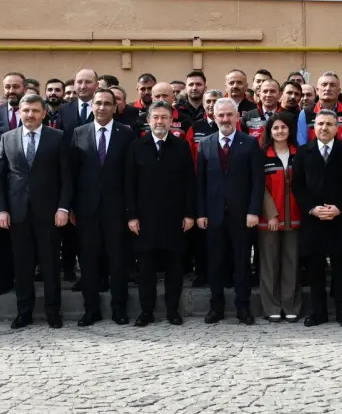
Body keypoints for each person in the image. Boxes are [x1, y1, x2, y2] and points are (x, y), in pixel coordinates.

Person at [0, 95, 72, 329]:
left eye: (35, 110)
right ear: (19, 112)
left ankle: (53, 311)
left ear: (44, 113)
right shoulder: (7, 138)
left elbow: (67, 178)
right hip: (17, 214)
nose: (30, 115)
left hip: (49, 213)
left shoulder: (57, 137)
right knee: (22, 265)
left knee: (50, 264)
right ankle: (24, 312)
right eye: (26, 110)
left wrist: (63, 207)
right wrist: (1, 209)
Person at [125, 100, 195, 325]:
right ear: (148, 121)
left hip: (174, 218)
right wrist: (132, 216)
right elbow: (130, 184)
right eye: (155, 117)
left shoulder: (181, 146)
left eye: (164, 117)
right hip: (144, 219)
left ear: (172, 121)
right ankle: (147, 311)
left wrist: (189, 214)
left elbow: (188, 183)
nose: (160, 121)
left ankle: (172, 310)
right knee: (146, 270)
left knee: (175, 269)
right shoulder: (137, 146)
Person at [69, 88, 135, 325]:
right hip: (86, 210)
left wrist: (130, 210)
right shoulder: (78, 133)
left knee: (118, 261)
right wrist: (71, 207)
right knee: (88, 262)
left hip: (116, 209)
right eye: (98, 103)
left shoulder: (126, 134)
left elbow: (130, 176)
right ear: (92, 105)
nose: (102, 107)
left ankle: (119, 308)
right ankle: (91, 310)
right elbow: (72, 175)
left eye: (108, 103)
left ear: (115, 107)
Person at [196, 97, 263, 324]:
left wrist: (254, 211)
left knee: (241, 262)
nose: (225, 119)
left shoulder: (250, 143)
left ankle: (242, 307)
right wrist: (201, 213)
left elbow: (257, 182)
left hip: (242, 215)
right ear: (214, 118)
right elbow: (200, 183)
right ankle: (216, 307)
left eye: (229, 115)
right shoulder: (204, 144)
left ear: (237, 117)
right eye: (221, 115)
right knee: (215, 262)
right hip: (213, 216)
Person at [293, 109, 342, 327]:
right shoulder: (303, 153)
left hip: (340, 219)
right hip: (313, 220)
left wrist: (340, 208)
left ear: (337, 128)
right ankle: (318, 312)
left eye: (329, 124)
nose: (324, 127)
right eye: (320, 123)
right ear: (314, 127)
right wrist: (312, 208)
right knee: (315, 269)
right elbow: (297, 186)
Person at [257, 112, 301, 322]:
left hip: (295, 217)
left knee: (291, 263)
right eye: (275, 128)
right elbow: (260, 187)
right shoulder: (262, 155)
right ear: (270, 131)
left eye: (283, 127)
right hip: (270, 220)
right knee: (269, 264)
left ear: (289, 130)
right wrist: (271, 214)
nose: (280, 131)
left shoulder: (298, 154)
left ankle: (290, 304)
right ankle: (271, 306)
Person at [60, 68, 99, 134]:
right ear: (74, 84)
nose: (83, 86)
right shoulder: (64, 109)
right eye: (79, 82)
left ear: (97, 85)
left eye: (88, 82)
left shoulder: (105, 108)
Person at [0, 72, 27, 139]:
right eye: (7, 87)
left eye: (16, 87)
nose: (11, 91)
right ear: (4, 89)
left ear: (25, 89)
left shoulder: (33, 112)